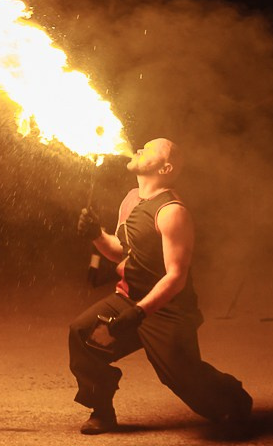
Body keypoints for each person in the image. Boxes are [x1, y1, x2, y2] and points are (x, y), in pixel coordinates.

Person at [68, 137, 252, 435]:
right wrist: (96, 235)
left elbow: (176, 276)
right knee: (82, 336)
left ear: (166, 168)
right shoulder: (130, 199)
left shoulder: (172, 212)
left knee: (181, 376)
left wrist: (140, 313)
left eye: (151, 148)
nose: (140, 148)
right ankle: (101, 410)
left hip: (168, 310)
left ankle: (234, 402)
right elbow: (121, 251)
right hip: (129, 300)